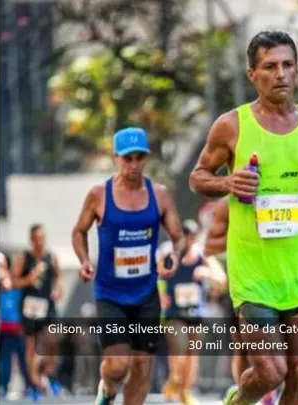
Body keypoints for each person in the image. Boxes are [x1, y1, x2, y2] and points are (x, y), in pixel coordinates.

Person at [189, 30, 298, 405]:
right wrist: (230, 181)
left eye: (288, 65)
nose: (281, 74)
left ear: (297, 70)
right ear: (252, 74)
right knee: (270, 372)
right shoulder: (232, 125)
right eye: (270, 66)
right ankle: (237, 401)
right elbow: (197, 178)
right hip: (255, 273)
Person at [71, 127, 186, 405]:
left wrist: (174, 255)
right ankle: (107, 392)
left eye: (139, 158)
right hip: (110, 295)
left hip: (146, 295)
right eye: (127, 159)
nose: (134, 165)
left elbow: (179, 237)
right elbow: (79, 231)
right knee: (118, 365)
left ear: (146, 157)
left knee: (141, 366)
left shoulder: (159, 195)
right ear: (116, 158)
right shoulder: (99, 195)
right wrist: (84, 260)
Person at [203, 198, 278, 405]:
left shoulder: (275, 201)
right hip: (238, 289)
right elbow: (209, 249)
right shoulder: (229, 205)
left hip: (269, 283)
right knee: (242, 348)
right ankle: (244, 393)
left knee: (272, 343)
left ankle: (267, 390)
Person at [158, 219, 227, 405]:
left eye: (191, 238)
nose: (187, 242)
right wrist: (160, 292)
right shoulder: (168, 253)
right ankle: (175, 379)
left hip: (195, 312)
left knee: (191, 353)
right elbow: (152, 275)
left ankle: (183, 390)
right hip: (174, 312)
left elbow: (222, 281)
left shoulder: (202, 255)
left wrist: (207, 274)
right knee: (179, 345)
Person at [11, 224, 63, 402]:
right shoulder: (24, 258)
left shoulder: (51, 257)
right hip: (30, 307)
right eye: (38, 238)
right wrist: (29, 279)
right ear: (32, 240)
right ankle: (33, 384)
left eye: (43, 237)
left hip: (47, 305)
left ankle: (47, 374)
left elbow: (57, 278)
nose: (41, 241)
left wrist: (57, 290)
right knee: (32, 347)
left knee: (52, 342)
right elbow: (13, 281)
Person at [0, 251, 31, 398]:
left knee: (22, 357)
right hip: (2, 328)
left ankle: (30, 385)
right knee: (4, 358)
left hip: (16, 327)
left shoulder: (15, 283)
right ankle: (2, 385)